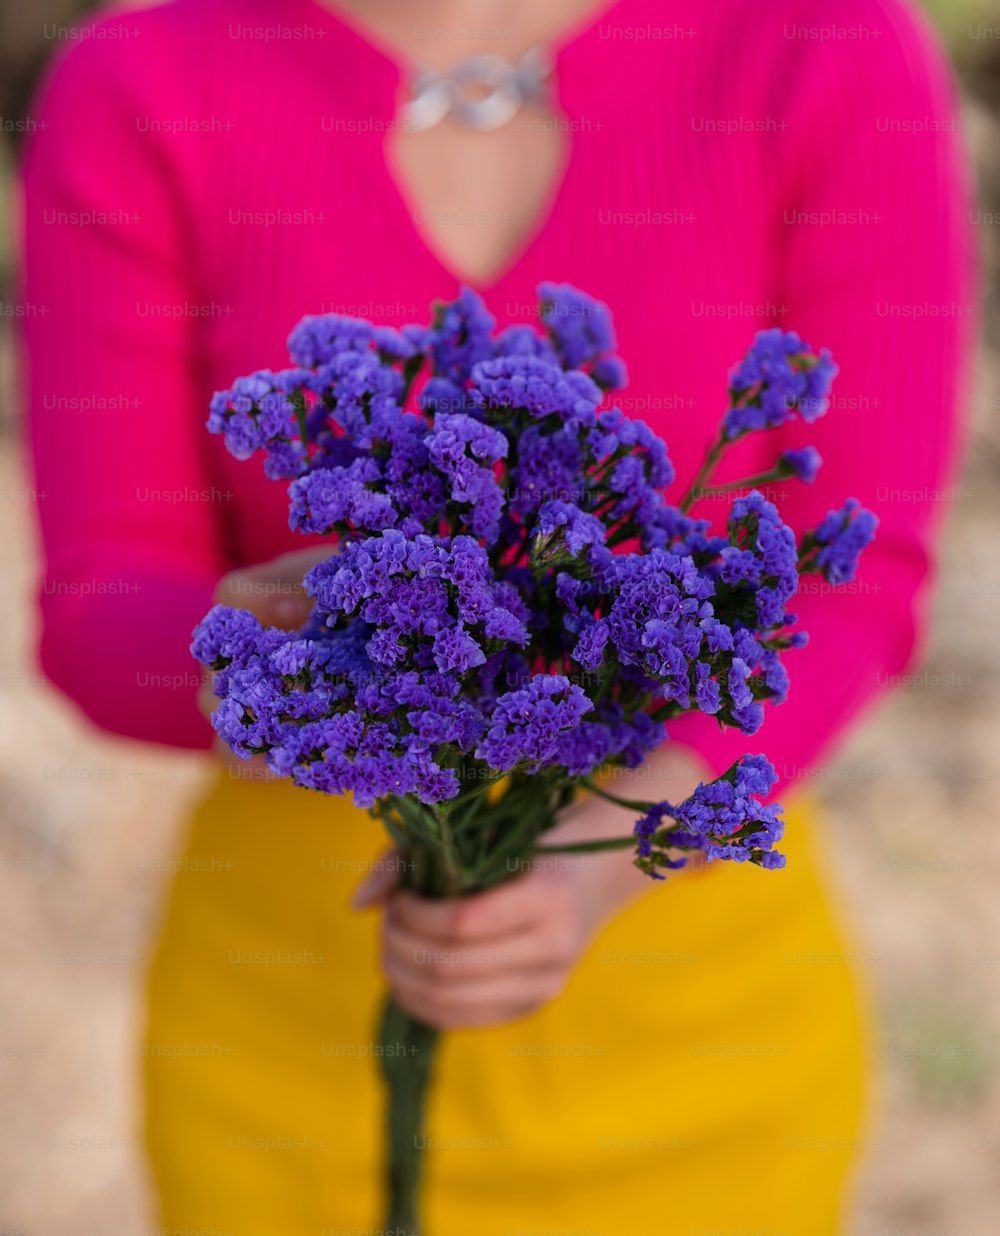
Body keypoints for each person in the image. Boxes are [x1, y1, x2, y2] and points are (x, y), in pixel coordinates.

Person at [20, 0, 973, 1232]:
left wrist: (612, 858)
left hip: (691, 1018)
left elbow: (860, 577)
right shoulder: (146, 78)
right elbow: (101, 612)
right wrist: (310, 645)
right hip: (288, 1034)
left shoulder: (823, 45)